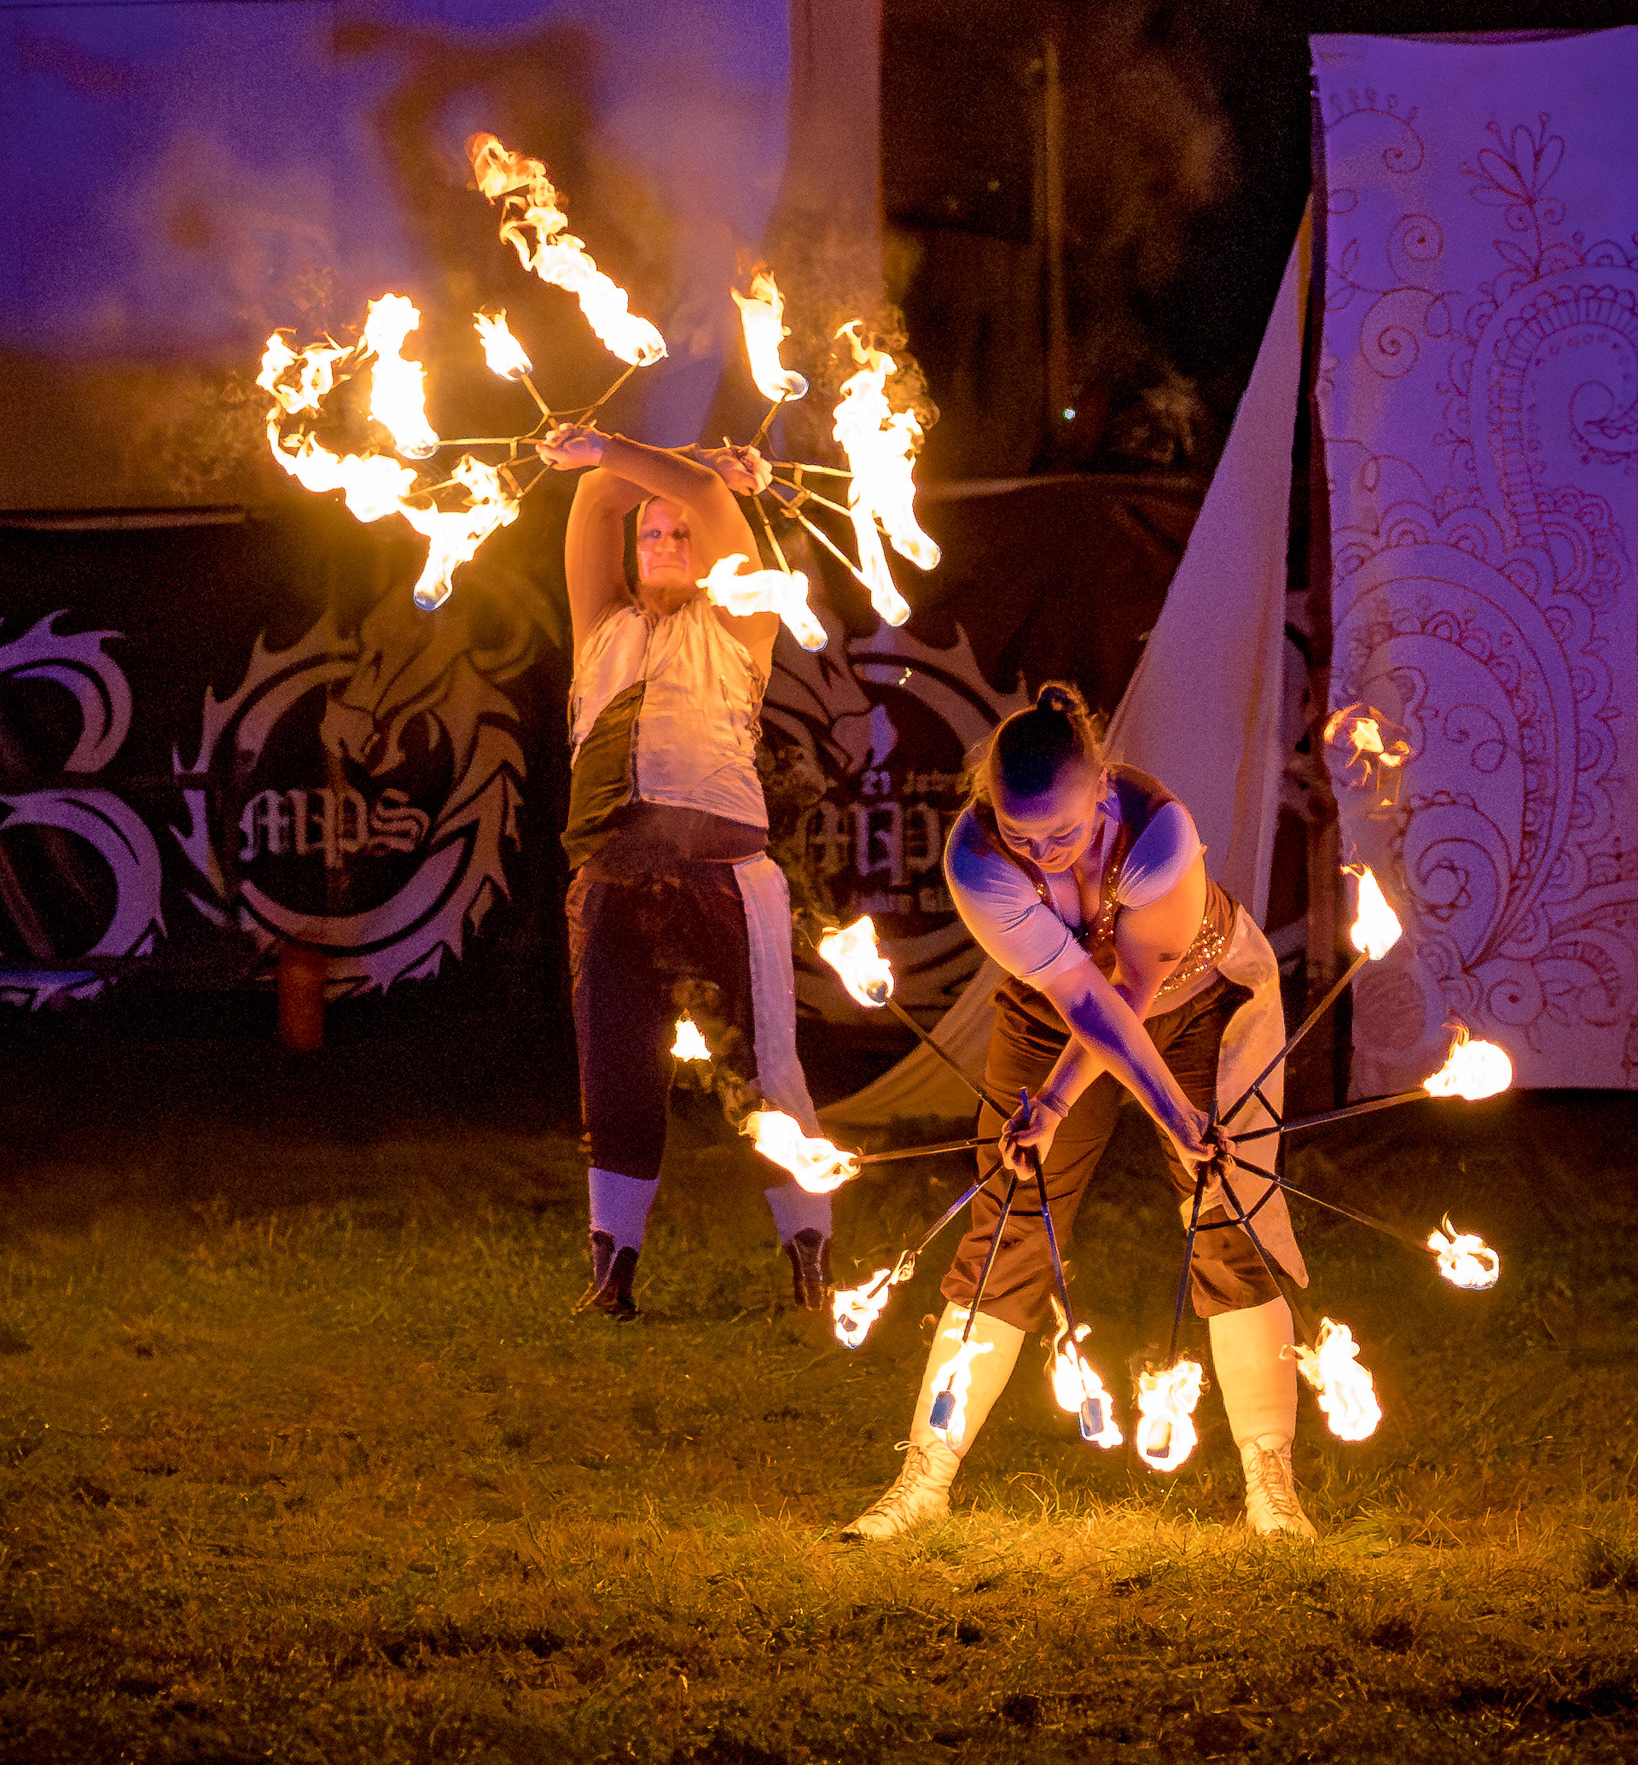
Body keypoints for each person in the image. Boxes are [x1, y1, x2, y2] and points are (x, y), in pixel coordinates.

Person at [842, 682, 1314, 1541]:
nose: (1046, 853)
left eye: (1063, 832)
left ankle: (1271, 1487)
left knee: (1229, 1208)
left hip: (1198, 1001)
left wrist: (1179, 1118)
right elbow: (1081, 999)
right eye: (1024, 836)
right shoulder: (977, 861)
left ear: (1102, 790)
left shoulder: (1160, 836)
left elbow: (1131, 987)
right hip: (1055, 1019)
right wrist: (1053, 1105)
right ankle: (922, 1479)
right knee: (1012, 1213)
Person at [540, 422, 834, 1321]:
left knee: (765, 1071)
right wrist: (658, 464)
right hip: (611, 875)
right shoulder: (602, 624)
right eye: (653, 534)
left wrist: (701, 478)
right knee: (616, 1072)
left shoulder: (743, 614)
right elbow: (598, 496)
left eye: (682, 535)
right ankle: (611, 1276)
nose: (667, 543)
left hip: (722, 874)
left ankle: (809, 1262)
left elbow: (705, 503)